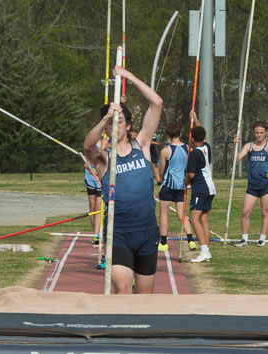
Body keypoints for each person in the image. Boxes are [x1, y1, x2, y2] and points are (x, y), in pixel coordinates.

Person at [83, 65, 163, 294]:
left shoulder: (143, 146)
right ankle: (120, 329)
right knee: (123, 287)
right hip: (119, 233)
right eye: (110, 123)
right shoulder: (104, 159)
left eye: (118, 121)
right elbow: (88, 146)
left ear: (128, 125)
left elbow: (156, 103)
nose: (113, 125)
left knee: (144, 298)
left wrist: (128, 76)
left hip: (147, 232)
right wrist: (107, 116)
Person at [234, 121, 268, 247]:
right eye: (256, 133)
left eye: (261, 133)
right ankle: (244, 239)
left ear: (266, 133)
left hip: (266, 184)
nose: (259, 135)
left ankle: (262, 239)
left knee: (264, 211)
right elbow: (236, 159)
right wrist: (235, 145)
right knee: (246, 211)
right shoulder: (249, 146)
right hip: (252, 185)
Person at [156, 122, 193, 253]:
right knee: (181, 214)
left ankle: (163, 242)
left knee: (163, 213)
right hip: (181, 185)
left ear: (168, 134)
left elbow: (161, 170)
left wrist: (159, 179)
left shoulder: (165, 151)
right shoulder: (188, 149)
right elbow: (190, 169)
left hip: (168, 185)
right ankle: (191, 240)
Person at [186, 112, 216, 264]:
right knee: (203, 218)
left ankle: (204, 251)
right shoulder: (207, 147)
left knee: (193, 218)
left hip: (200, 188)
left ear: (192, 138)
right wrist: (196, 119)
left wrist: (185, 184)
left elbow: (191, 175)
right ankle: (207, 251)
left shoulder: (193, 154)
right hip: (210, 188)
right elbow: (201, 132)